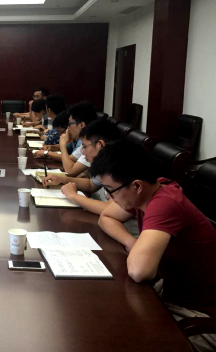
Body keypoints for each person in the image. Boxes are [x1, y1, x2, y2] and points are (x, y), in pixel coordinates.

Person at [90, 141, 216, 351]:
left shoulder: (165, 203)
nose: (108, 197)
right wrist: (132, 242)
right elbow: (106, 217)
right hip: (171, 293)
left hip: (199, 315)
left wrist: (138, 252)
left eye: (111, 190)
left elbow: (140, 271)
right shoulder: (151, 190)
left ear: (137, 186)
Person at [41, 119, 119, 215]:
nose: (83, 152)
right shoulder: (104, 163)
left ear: (100, 145)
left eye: (85, 147)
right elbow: (91, 185)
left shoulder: (119, 166)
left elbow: (112, 209)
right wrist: (61, 179)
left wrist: (74, 196)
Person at [57, 101, 97, 177]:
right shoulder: (86, 141)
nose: (68, 128)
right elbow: (71, 159)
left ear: (81, 125)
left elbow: (70, 171)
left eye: (69, 124)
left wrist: (62, 144)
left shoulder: (93, 143)